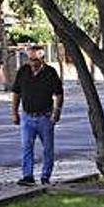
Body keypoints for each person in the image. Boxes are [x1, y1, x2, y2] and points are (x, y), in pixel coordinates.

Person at [11, 45, 64, 186]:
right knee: (26, 147)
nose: (32, 63)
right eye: (30, 59)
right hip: (27, 117)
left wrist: (57, 112)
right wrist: (14, 112)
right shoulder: (23, 72)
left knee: (47, 148)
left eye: (35, 59)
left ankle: (45, 176)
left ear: (42, 59)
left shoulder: (50, 72)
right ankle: (28, 176)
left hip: (45, 117)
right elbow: (16, 93)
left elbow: (59, 94)